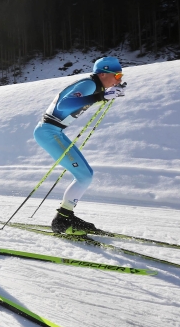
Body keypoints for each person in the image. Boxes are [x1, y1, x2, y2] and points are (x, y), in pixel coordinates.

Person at [34, 56, 126, 235]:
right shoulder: (90, 84)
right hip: (49, 132)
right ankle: (62, 219)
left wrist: (104, 95)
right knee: (84, 176)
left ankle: (65, 215)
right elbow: (64, 104)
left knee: (87, 174)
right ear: (103, 74)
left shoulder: (93, 85)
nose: (119, 79)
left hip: (53, 131)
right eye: (117, 75)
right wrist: (102, 96)